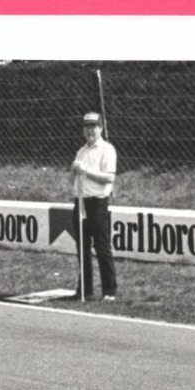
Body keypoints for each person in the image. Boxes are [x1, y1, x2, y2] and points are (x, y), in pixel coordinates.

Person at [71, 111, 118, 301]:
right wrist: (74, 171)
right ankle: (85, 289)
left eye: (93, 126)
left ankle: (109, 290)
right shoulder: (81, 151)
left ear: (101, 128)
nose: (90, 130)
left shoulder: (107, 149)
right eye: (87, 127)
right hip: (81, 201)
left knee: (102, 247)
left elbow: (109, 178)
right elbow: (74, 177)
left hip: (97, 203)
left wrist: (86, 171)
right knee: (82, 247)